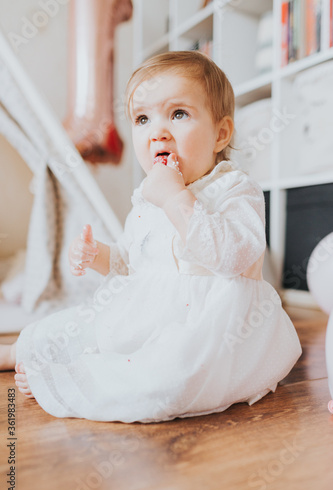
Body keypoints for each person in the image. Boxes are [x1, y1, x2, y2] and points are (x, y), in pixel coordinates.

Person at [0, 51, 302, 423]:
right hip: (148, 309)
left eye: (178, 114)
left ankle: (81, 379)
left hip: (212, 325)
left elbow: (232, 257)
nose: (158, 131)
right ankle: (19, 351)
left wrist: (177, 198)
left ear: (220, 133)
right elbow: (134, 264)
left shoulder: (235, 189)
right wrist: (101, 256)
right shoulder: (146, 196)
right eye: (143, 118)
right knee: (84, 322)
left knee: (170, 374)